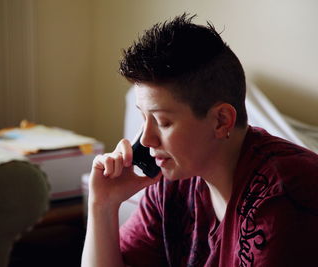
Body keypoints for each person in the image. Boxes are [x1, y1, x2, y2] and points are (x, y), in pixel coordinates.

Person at [81, 13, 318, 267]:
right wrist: (103, 205)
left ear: (221, 121)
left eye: (162, 122)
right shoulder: (172, 181)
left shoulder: (285, 196)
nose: (147, 140)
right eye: (143, 118)